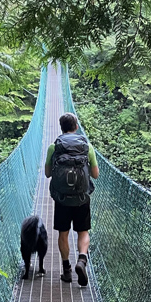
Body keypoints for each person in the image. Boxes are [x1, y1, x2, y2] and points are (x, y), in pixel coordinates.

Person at [45, 112, 99, 286]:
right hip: (81, 197)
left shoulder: (54, 147)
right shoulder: (86, 146)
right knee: (83, 231)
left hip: (62, 199)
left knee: (63, 233)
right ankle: (82, 260)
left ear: (61, 128)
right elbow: (95, 175)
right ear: (76, 127)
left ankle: (66, 270)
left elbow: (47, 174)